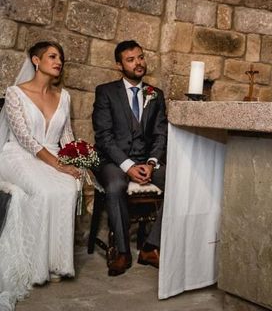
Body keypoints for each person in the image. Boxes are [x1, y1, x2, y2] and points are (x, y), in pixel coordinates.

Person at [0, 42, 80, 309]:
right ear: (36, 60)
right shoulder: (15, 93)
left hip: (54, 157)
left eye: (61, 58)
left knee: (69, 188)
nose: (59, 62)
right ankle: (35, 266)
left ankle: (57, 263)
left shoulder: (64, 96)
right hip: (19, 156)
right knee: (45, 191)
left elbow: (67, 135)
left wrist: (78, 161)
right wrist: (59, 165)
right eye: (52, 56)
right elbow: (25, 138)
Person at [92, 40, 167, 276]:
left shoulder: (156, 94)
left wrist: (152, 162)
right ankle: (122, 252)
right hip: (113, 161)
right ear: (119, 65)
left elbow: (160, 133)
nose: (138, 63)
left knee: (180, 182)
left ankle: (150, 246)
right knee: (115, 186)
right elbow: (103, 137)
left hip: (147, 161)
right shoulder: (106, 92)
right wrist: (129, 166)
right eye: (131, 59)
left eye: (141, 57)